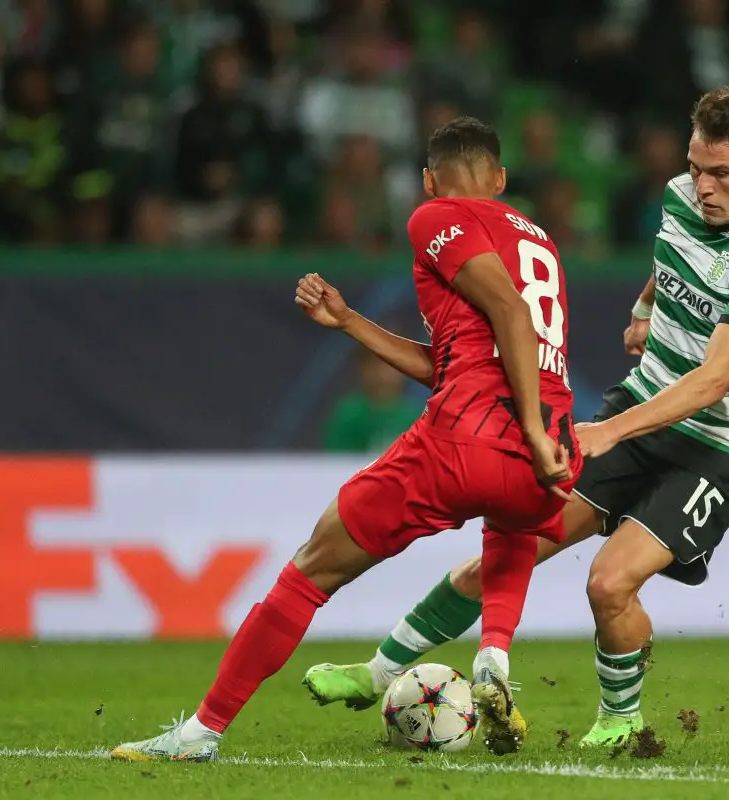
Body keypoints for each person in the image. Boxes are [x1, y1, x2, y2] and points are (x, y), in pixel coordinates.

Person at [305, 86, 729, 748]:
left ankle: (622, 716)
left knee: (609, 584)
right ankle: (376, 672)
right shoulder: (679, 197)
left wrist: (610, 430)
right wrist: (642, 307)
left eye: (720, 173)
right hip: (642, 405)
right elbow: (675, 261)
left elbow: (715, 379)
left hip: (719, 442)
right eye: (696, 167)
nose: (703, 185)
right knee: (504, 550)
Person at [109, 117, 580, 761]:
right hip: (548, 452)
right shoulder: (540, 242)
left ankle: (199, 734)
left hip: (469, 433)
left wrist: (521, 421)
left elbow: (510, 315)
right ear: (500, 178)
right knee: (511, 521)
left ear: (427, 180)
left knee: (309, 571)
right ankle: (494, 652)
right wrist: (349, 321)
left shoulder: (434, 216)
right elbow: (463, 355)